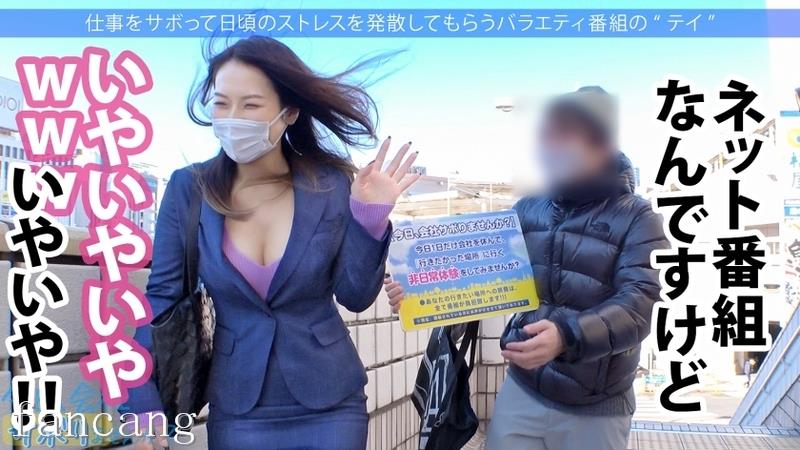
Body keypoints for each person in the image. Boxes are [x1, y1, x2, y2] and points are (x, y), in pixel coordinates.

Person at [124, 36, 420, 450]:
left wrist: (369, 220)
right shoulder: (189, 188)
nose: (232, 118)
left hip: (331, 401)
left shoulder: (330, 184)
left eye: (250, 105)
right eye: (221, 103)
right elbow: (161, 296)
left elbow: (355, 296)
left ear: (289, 112)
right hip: (238, 405)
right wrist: (141, 403)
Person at [385, 86, 668, 450]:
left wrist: (567, 336)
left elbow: (640, 304)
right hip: (522, 389)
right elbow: (479, 281)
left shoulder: (639, 217)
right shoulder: (526, 209)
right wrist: (418, 294)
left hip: (597, 406)